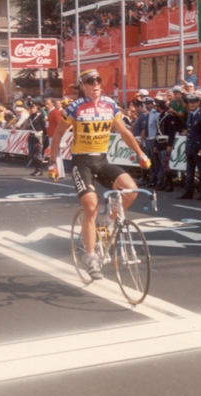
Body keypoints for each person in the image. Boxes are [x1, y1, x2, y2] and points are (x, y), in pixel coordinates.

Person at [48, 69, 150, 280]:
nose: (95, 84)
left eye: (97, 80)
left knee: (130, 190)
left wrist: (140, 153)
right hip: (81, 163)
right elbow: (58, 134)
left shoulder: (110, 105)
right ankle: (91, 256)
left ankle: (109, 222)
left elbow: (124, 132)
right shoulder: (75, 108)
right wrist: (53, 163)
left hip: (102, 161)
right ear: (83, 87)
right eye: (89, 81)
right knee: (91, 205)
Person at [178, 94, 201, 200]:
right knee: (189, 172)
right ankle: (188, 192)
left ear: (198, 103)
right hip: (190, 147)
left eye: (194, 102)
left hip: (198, 147)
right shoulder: (190, 114)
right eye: (190, 102)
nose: (192, 104)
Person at [153, 98, 177, 192]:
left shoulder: (169, 116)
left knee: (165, 165)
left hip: (166, 144)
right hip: (160, 143)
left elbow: (172, 132)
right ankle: (163, 183)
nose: (156, 107)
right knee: (162, 165)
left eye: (156, 105)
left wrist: (170, 145)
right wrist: (156, 145)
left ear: (159, 106)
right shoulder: (160, 116)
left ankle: (169, 185)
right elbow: (158, 132)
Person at [26, 103, 47, 176]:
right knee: (31, 154)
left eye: (33, 108)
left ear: (36, 108)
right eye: (31, 108)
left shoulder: (40, 116)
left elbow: (44, 127)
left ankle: (39, 170)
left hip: (38, 137)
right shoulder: (30, 117)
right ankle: (36, 168)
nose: (32, 109)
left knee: (37, 154)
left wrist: (43, 137)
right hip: (31, 137)